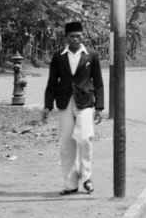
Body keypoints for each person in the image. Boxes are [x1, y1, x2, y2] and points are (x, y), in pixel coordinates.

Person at [42, 21, 104, 195]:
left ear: (82, 36)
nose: (76, 39)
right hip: (64, 101)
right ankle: (70, 183)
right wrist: (47, 106)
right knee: (65, 142)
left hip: (85, 102)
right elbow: (52, 83)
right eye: (72, 36)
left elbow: (98, 82)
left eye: (79, 36)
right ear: (66, 38)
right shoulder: (58, 56)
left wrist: (99, 107)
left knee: (85, 138)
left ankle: (87, 177)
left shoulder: (91, 55)